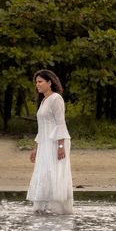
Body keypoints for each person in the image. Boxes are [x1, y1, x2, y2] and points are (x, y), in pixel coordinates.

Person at [27, 69, 73, 214]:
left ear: (49, 82)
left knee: (54, 172)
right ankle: (43, 207)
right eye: (36, 82)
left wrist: (60, 146)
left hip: (56, 142)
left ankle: (57, 208)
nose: (37, 85)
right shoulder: (43, 101)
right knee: (43, 172)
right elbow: (42, 128)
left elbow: (60, 123)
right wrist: (36, 147)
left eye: (40, 81)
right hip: (45, 143)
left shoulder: (56, 99)